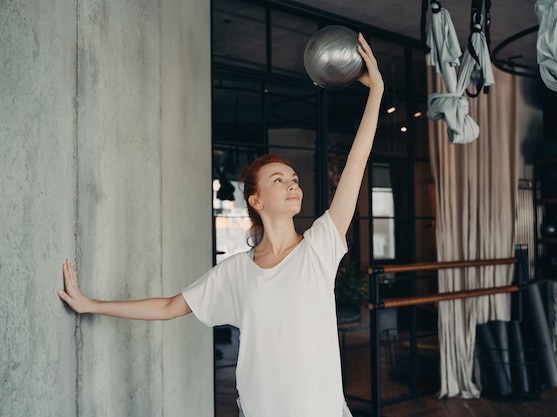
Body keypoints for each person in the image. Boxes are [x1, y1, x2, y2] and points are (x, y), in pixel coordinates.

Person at [58, 32, 384, 417]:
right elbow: (167, 306)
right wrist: (90, 304)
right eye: (278, 179)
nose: (292, 183)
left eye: (294, 178)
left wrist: (376, 91)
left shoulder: (320, 247)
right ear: (256, 200)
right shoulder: (233, 273)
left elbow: (357, 161)